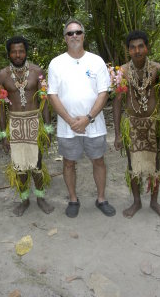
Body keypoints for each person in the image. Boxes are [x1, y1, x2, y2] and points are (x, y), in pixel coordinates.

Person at [47, 19, 116, 218]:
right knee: (68, 162)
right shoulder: (56, 63)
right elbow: (53, 95)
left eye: (78, 32)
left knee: (99, 161)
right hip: (67, 126)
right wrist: (71, 121)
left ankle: (101, 198)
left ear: (84, 35)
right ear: (65, 38)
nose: (74, 36)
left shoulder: (96, 61)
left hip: (94, 124)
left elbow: (104, 92)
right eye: (70, 33)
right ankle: (72, 198)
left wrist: (87, 118)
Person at [113, 30, 160, 219]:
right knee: (132, 163)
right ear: (128, 50)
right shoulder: (122, 71)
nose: (137, 51)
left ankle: (154, 202)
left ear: (147, 48)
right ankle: (137, 201)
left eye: (140, 46)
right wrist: (117, 134)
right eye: (133, 47)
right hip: (132, 125)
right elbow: (117, 102)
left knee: (156, 163)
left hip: (154, 124)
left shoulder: (157, 70)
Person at [0, 36, 54, 216]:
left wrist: (48, 129)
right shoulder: (2, 75)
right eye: (14, 51)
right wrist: (3, 134)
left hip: (34, 123)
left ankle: (41, 197)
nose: (18, 55)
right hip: (15, 125)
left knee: (37, 164)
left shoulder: (38, 72)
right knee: (19, 166)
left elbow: (44, 101)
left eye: (21, 51)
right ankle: (24, 199)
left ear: (26, 52)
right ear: (9, 54)